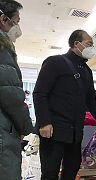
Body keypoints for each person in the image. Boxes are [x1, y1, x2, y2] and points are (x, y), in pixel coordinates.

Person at [33, 29, 96, 180]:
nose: (92, 48)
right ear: (76, 44)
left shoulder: (87, 71)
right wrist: (44, 122)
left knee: (72, 171)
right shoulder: (55, 62)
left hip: (75, 134)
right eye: (89, 44)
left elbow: (91, 102)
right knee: (50, 173)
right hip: (54, 131)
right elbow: (39, 93)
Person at [0, 0, 33, 179]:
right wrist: (26, 126)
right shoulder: (2, 48)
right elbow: (10, 94)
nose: (18, 27)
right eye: (16, 21)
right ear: (4, 19)